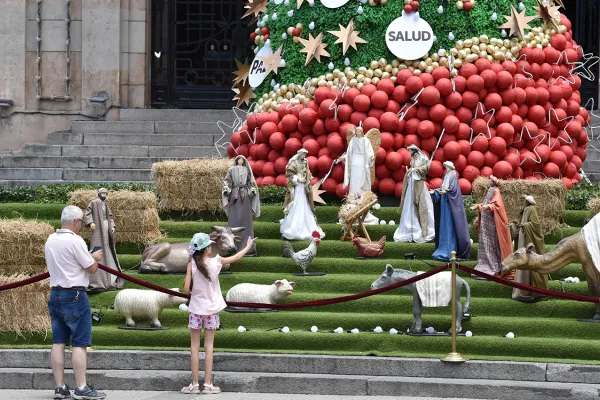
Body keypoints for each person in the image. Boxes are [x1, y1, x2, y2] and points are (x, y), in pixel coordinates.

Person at [182, 232, 256, 394]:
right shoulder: (216, 262)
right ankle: (208, 384)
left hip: (195, 309)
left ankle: (194, 384)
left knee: (194, 347)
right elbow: (236, 258)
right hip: (212, 310)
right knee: (209, 346)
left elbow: (186, 289)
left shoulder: (191, 265)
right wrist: (248, 246)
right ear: (207, 249)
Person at [45, 205, 106, 400]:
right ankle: (81, 387)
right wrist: (93, 257)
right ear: (76, 222)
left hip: (55, 293)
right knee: (79, 343)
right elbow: (91, 268)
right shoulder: (76, 240)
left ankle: (60, 387)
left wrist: (86, 256)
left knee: (58, 342)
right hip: (75, 295)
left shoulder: (51, 239)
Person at [471, 176, 513, 279]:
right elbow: (487, 203)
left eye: (492, 180)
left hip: (491, 225)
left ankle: (492, 267)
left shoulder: (496, 190)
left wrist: (488, 207)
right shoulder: (490, 190)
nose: (490, 181)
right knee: (484, 245)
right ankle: (483, 266)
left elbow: (497, 206)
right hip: (485, 226)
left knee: (491, 245)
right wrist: (479, 206)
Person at [338, 124, 379, 225]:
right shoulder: (353, 140)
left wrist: (371, 157)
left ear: (362, 132)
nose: (358, 133)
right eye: (357, 132)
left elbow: (370, 151)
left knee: (362, 180)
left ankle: (362, 204)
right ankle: (352, 203)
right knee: (354, 183)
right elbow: (349, 152)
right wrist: (344, 158)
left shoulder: (366, 141)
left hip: (363, 161)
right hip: (354, 162)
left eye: (360, 132)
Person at [280, 149, 325, 240]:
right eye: (303, 154)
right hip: (297, 186)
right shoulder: (293, 162)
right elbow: (289, 174)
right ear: (299, 154)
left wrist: (306, 179)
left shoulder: (305, 162)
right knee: (296, 202)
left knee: (304, 202)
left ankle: (306, 225)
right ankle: (292, 228)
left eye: (305, 154)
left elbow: (307, 172)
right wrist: (297, 179)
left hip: (304, 185)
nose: (304, 156)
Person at [510, 195, 549, 301]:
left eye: (525, 200)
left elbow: (535, 225)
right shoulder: (525, 210)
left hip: (528, 239)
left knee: (529, 263)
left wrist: (524, 225)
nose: (523, 202)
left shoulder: (532, 209)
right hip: (523, 238)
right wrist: (515, 225)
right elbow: (522, 223)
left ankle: (532, 291)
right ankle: (521, 290)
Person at [394, 145, 435, 243]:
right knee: (409, 204)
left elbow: (425, 168)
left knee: (422, 204)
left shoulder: (423, 158)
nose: (409, 153)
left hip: (419, 183)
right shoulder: (412, 159)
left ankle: (424, 229)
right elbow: (413, 168)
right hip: (412, 182)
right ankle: (409, 228)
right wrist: (409, 172)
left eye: (410, 151)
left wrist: (416, 169)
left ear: (414, 151)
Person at [431, 161, 471, 261]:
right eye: (445, 167)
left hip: (449, 205)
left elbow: (453, 190)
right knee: (443, 225)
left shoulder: (453, 175)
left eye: (447, 167)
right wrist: (436, 191)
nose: (446, 168)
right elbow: (443, 188)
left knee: (450, 226)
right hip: (444, 204)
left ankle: (450, 250)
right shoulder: (446, 175)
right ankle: (443, 249)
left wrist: (446, 192)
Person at [85, 188, 123, 291]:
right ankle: (98, 281)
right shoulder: (93, 202)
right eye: (102, 193)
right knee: (98, 250)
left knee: (108, 248)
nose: (104, 195)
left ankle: (111, 280)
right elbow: (88, 213)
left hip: (106, 228)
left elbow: (110, 217)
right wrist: (90, 222)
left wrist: (112, 226)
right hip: (97, 229)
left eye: (105, 193)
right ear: (98, 194)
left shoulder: (105, 204)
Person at [222, 155, 260, 255]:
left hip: (245, 197)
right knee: (234, 219)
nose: (240, 161)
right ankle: (233, 246)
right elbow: (227, 181)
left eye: (242, 159)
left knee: (246, 220)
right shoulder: (231, 169)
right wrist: (226, 188)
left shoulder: (247, 170)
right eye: (238, 159)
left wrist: (251, 189)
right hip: (235, 196)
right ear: (236, 161)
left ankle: (248, 248)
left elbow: (250, 182)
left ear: (244, 161)